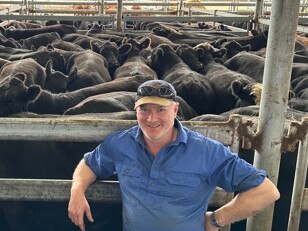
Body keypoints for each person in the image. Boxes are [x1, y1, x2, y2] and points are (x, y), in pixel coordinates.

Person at [68, 79, 280, 231]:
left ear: (176, 109)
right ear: (135, 110)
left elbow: (266, 191)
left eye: (161, 109)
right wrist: (77, 191)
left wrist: (217, 219)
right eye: (144, 109)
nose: (151, 118)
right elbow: (89, 164)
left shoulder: (206, 151)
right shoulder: (120, 143)